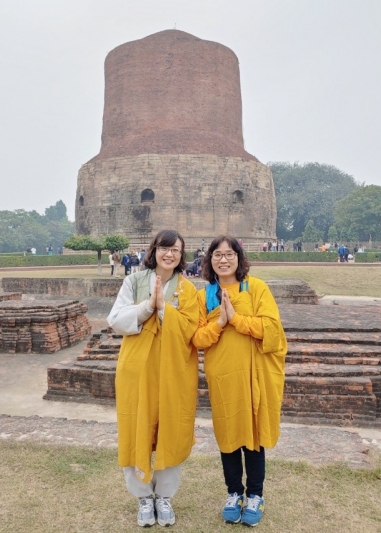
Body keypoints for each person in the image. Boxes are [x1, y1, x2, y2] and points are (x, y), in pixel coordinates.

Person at [192, 235, 287, 527]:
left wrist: (236, 319)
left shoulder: (255, 288)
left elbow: (272, 329)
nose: (223, 259)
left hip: (252, 375)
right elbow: (196, 339)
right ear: (209, 260)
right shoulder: (205, 295)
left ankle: (255, 495)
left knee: (253, 437)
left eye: (229, 254)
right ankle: (234, 493)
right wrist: (220, 322)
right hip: (222, 375)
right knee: (229, 435)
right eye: (217, 255)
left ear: (238, 257)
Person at [107, 229, 199, 528]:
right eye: (164, 248)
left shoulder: (188, 290)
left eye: (175, 249)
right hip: (137, 368)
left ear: (181, 255)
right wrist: (148, 306)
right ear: (154, 250)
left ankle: (164, 497)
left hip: (173, 369)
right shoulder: (133, 282)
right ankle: (144, 497)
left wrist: (164, 310)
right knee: (137, 427)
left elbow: (189, 331)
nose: (169, 254)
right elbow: (116, 321)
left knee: (170, 428)